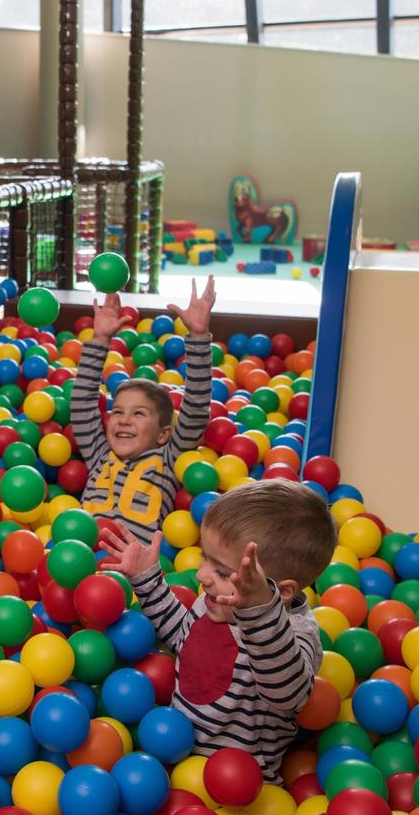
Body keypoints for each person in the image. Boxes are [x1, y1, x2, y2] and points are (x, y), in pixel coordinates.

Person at [100, 478, 337, 781]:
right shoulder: (214, 601)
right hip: (171, 755)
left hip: (239, 785)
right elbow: (182, 639)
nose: (202, 576)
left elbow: (287, 693)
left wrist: (258, 613)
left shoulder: (294, 634)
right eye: (204, 559)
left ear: (281, 591)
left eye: (222, 571)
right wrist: (147, 579)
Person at [69, 278, 216, 544]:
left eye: (138, 414)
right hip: (81, 562)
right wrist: (100, 338)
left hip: (134, 572)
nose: (124, 420)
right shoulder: (99, 455)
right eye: (118, 412)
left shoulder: (169, 460)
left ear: (163, 434)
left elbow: (195, 409)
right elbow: (82, 405)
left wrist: (197, 337)